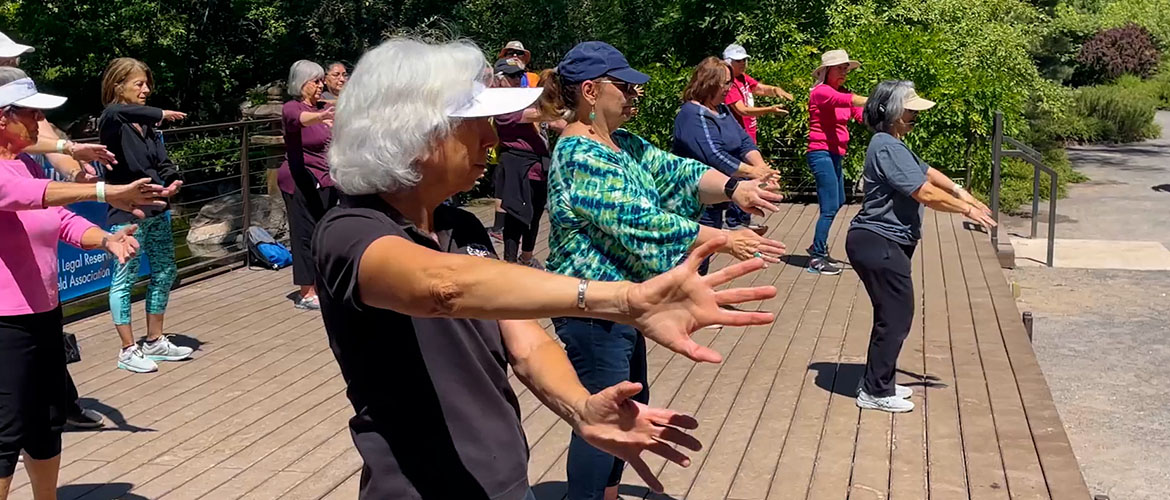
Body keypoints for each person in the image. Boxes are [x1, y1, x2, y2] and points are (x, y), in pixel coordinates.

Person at [317, 37, 780, 499]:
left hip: (504, 484)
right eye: (473, 123)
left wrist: (582, 409)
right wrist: (623, 299)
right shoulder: (350, 230)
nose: (492, 139)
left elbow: (527, 344)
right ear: (411, 132)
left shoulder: (460, 226)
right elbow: (441, 287)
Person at [538, 41, 787, 500]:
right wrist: (723, 239)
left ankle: (606, 495)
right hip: (590, 309)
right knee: (604, 414)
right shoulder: (579, 154)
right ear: (591, 91)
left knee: (629, 405)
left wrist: (735, 189)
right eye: (627, 87)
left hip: (626, 302)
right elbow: (638, 220)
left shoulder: (621, 142)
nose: (636, 95)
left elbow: (678, 172)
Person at [0, 67, 165, 500]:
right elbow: (25, 196)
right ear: (3, 118)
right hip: (4, 325)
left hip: (42, 314)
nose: (39, 123)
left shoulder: (26, 163)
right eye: (31, 114)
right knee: (4, 434)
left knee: (45, 421)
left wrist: (108, 239)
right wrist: (104, 193)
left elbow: (58, 217)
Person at [847, 80, 995, 413]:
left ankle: (878, 382)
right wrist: (966, 210)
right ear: (892, 113)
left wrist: (962, 192)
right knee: (896, 317)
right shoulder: (886, 146)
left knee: (891, 315)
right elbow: (923, 192)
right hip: (878, 241)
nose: (915, 116)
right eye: (910, 111)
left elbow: (927, 173)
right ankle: (874, 391)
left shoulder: (894, 144)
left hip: (886, 241)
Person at [99, 57, 191, 373]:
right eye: (139, 84)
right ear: (118, 86)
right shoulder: (112, 120)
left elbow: (161, 161)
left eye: (147, 84)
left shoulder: (147, 125)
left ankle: (154, 339)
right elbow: (114, 111)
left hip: (156, 208)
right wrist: (160, 113)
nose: (146, 90)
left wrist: (172, 180)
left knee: (165, 270)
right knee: (125, 278)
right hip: (126, 210)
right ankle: (127, 349)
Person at [672, 56, 781, 274]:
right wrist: (752, 172)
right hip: (692, 201)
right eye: (725, 83)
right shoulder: (692, 114)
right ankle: (679, 300)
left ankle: (695, 295)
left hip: (716, 198)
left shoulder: (722, 110)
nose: (729, 88)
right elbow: (713, 154)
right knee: (690, 256)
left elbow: (743, 141)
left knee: (704, 254)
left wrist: (763, 170)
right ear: (709, 82)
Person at [0, 31, 116, 181]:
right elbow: (15, 140)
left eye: (15, 60)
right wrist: (69, 148)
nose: (14, 66)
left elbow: (50, 140)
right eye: (5, 63)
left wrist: (76, 174)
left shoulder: (22, 103)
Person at [491, 58, 565, 268]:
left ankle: (527, 257)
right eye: (512, 76)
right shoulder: (501, 104)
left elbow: (555, 121)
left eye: (520, 75)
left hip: (539, 166)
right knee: (515, 215)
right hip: (516, 163)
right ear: (500, 79)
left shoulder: (525, 100)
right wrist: (570, 107)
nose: (518, 80)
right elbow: (540, 114)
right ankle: (510, 263)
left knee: (535, 214)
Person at [278, 60, 336, 310]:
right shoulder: (292, 108)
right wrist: (321, 117)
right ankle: (306, 291)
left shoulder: (324, 106)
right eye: (316, 81)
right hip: (299, 179)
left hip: (325, 179)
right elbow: (300, 119)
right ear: (302, 83)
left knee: (325, 232)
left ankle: (323, 283)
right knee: (304, 233)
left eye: (322, 80)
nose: (321, 85)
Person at [806, 49, 868, 275]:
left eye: (846, 69)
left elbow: (859, 114)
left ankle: (817, 245)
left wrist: (887, 119)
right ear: (826, 71)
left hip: (834, 154)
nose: (844, 72)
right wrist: (875, 99)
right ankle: (817, 257)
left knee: (839, 199)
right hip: (820, 153)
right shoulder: (821, 92)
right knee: (830, 207)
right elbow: (846, 100)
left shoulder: (843, 91)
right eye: (840, 68)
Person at [721, 43, 791, 232]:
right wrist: (770, 110)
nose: (742, 64)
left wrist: (775, 90)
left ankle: (744, 218)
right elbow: (742, 110)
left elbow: (759, 88)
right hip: (736, 140)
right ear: (727, 63)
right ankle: (734, 221)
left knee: (751, 179)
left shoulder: (743, 79)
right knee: (741, 179)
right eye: (738, 61)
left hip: (748, 138)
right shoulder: (730, 84)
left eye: (744, 60)